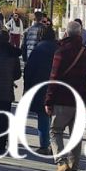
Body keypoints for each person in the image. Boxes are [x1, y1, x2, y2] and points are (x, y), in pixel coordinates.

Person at [46, 20, 86, 171]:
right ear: (80, 34)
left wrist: (49, 100)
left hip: (62, 99)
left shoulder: (61, 51)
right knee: (76, 137)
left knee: (55, 131)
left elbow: (54, 78)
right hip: (81, 100)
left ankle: (61, 163)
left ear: (66, 33)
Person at [23, 23, 58, 155]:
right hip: (57, 85)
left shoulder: (38, 49)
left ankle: (44, 144)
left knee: (43, 116)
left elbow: (29, 70)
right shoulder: (58, 48)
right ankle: (55, 144)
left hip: (40, 85)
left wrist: (27, 88)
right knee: (55, 117)